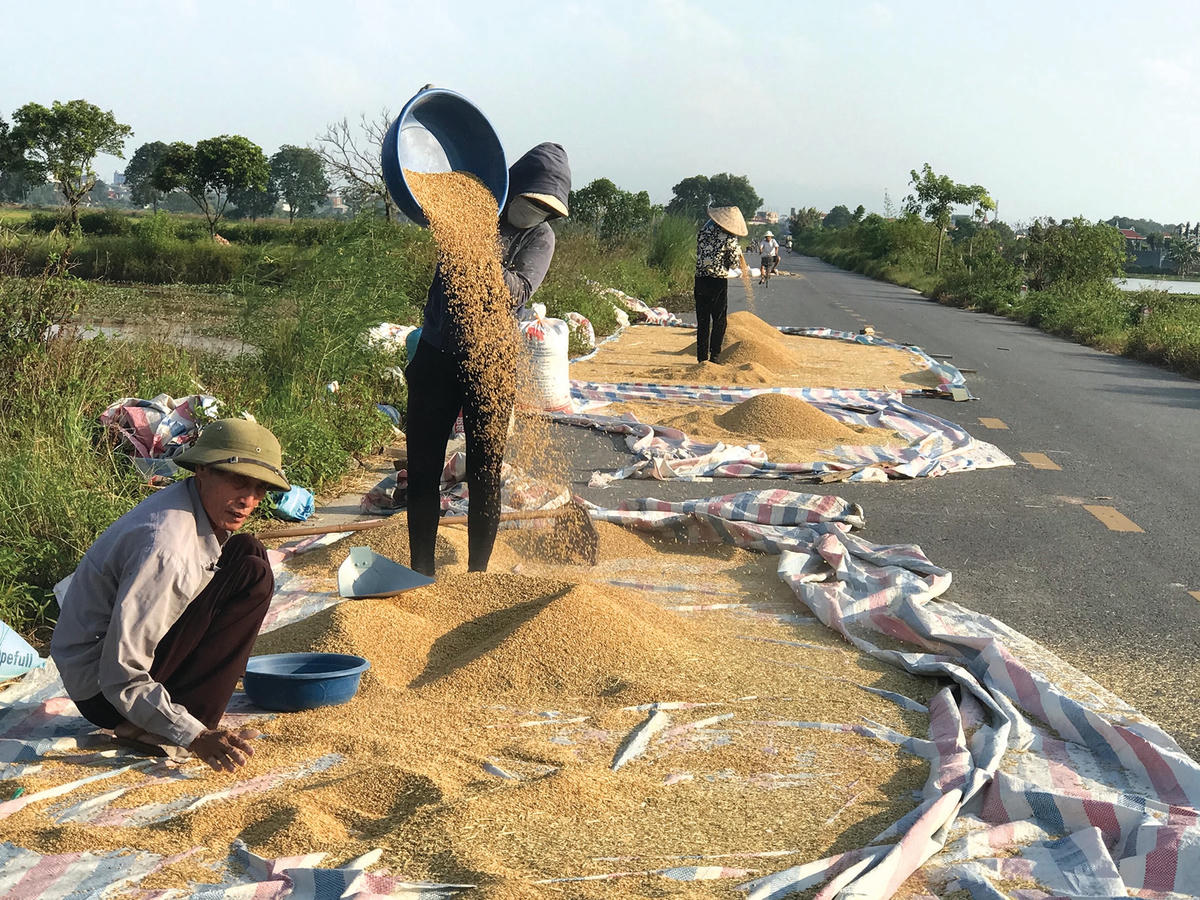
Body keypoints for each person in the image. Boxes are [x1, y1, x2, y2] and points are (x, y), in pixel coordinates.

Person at [50, 419, 289, 772]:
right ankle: (168, 723)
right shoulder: (167, 552)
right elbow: (121, 673)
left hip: (112, 669)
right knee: (251, 576)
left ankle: (164, 716)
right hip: (103, 690)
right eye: (239, 482)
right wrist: (193, 734)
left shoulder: (193, 505)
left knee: (248, 551)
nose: (248, 501)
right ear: (203, 470)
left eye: (259, 489)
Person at [405, 142, 571, 578]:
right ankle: (420, 570)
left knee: (485, 470)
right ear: (512, 188)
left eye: (544, 208)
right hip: (436, 354)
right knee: (422, 469)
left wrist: (479, 255)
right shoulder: (473, 210)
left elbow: (517, 288)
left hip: (491, 362)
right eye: (531, 201)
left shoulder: (540, 236)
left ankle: (477, 575)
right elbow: (428, 194)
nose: (535, 211)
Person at [694, 205, 748, 364]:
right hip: (717, 281)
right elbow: (732, 263)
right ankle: (715, 356)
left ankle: (701, 357)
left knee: (702, 320)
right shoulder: (729, 238)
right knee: (719, 320)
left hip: (700, 278)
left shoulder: (703, 233)